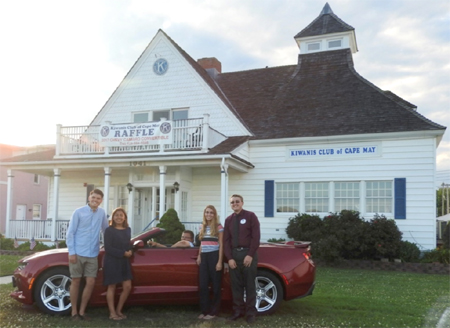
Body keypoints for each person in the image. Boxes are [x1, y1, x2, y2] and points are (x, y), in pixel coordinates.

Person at [66, 189, 109, 321]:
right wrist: (72, 252)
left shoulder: (102, 213)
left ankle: (82, 311)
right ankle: (74, 312)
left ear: (101, 200)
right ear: (89, 197)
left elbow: (106, 230)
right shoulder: (78, 212)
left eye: (98, 198)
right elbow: (70, 233)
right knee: (76, 281)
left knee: (90, 282)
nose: (95, 200)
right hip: (78, 252)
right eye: (93, 197)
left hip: (93, 254)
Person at [223, 194, 260, 324]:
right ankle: (237, 311)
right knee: (236, 286)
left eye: (237, 202)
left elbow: (256, 238)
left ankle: (250, 313)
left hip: (248, 255)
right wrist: (229, 258)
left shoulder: (251, 216)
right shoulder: (228, 220)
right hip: (234, 256)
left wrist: (250, 255)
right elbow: (226, 241)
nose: (235, 204)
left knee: (250, 285)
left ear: (242, 203)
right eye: (232, 202)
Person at [103, 207, 133, 321]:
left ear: (124, 217)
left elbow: (128, 244)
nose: (119, 217)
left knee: (127, 286)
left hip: (124, 261)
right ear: (113, 217)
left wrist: (130, 251)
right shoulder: (109, 230)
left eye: (121, 215)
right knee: (112, 286)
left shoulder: (127, 229)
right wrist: (123, 253)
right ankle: (112, 313)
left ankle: (119, 310)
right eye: (116, 215)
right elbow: (108, 248)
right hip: (112, 260)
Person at [196, 205, 224, 320]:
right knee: (203, 285)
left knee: (216, 286)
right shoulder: (201, 226)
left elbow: (221, 244)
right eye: (207, 212)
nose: (209, 214)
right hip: (204, 257)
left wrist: (219, 261)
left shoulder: (219, 227)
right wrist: (199, 255)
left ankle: (214, 312)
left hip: (214, 255)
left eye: (211, 213)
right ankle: (205, 310)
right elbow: (202, 243)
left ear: (214, 214)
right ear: (204, 214)